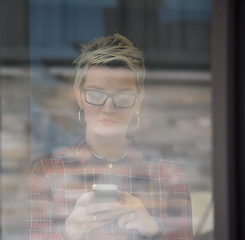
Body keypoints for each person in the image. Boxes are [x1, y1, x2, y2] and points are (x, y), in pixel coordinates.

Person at [29, 34, 193, 239]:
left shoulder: (169, 176)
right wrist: (68, 232)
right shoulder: (46, 172)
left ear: (138, 100)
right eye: (96, 95)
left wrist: (153, 230)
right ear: (79, 96)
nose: (108, 107)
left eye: (123, 97)